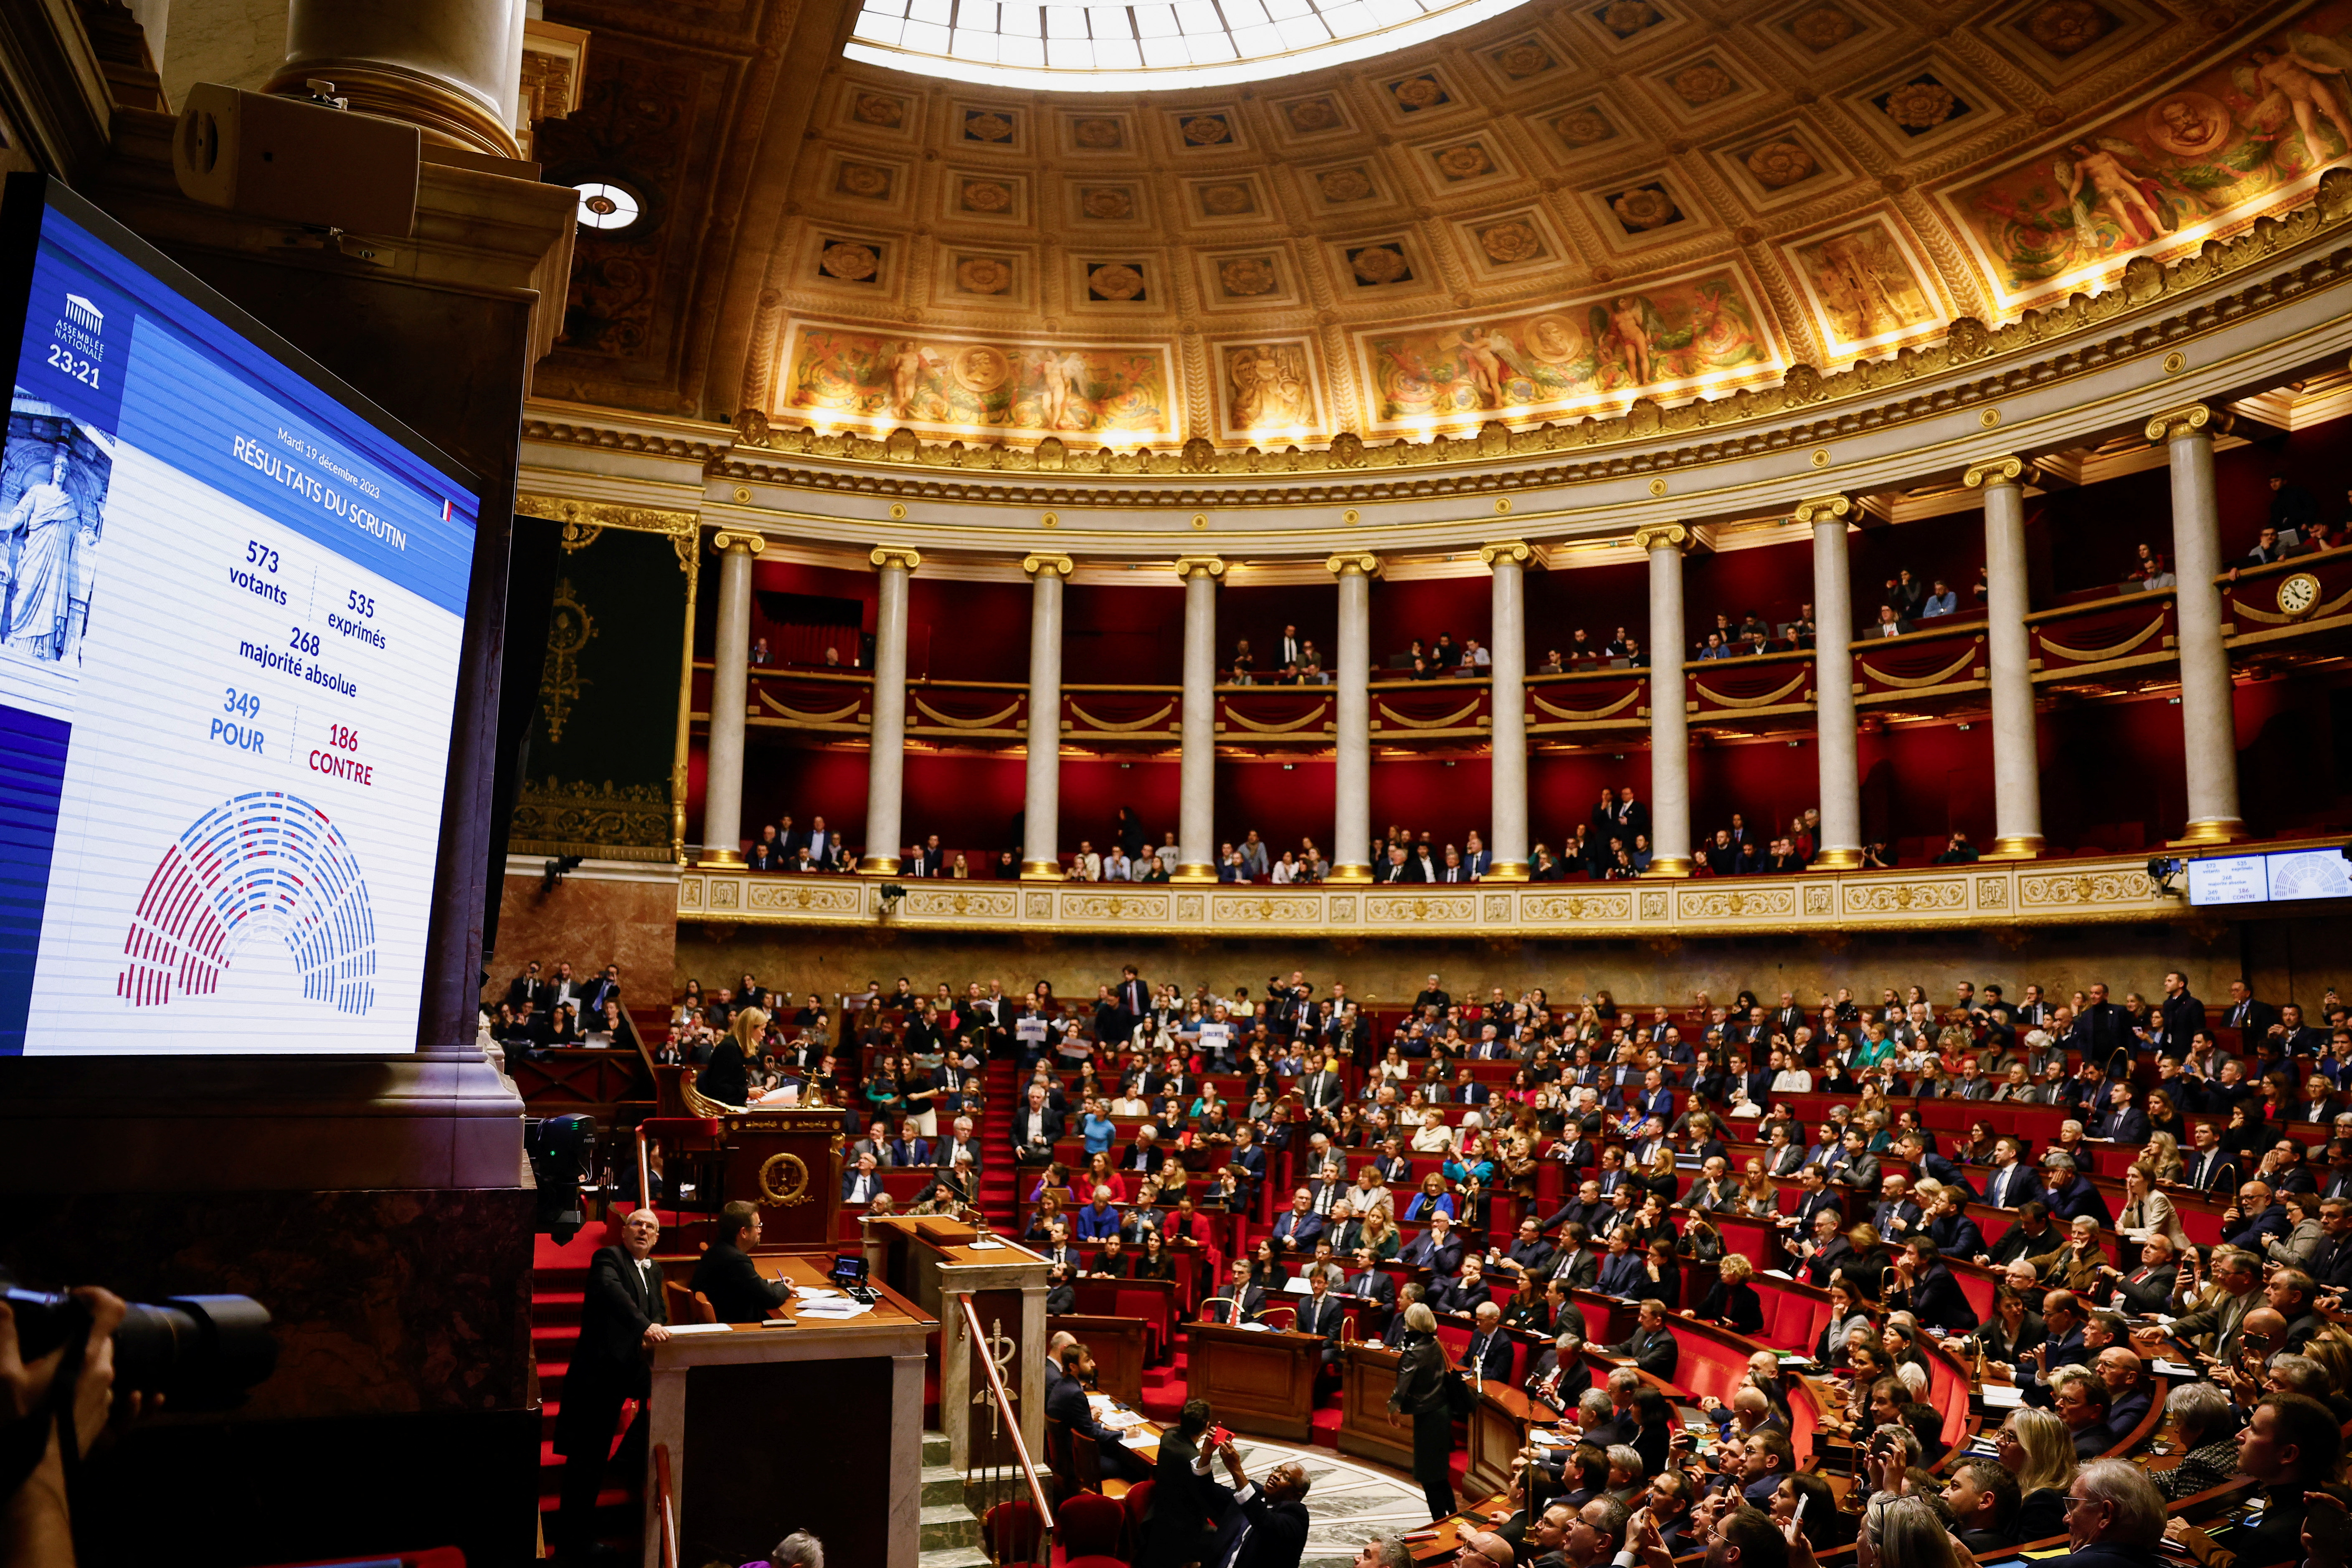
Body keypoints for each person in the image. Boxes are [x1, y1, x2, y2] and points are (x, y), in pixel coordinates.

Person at [554, 1209, 672, 1559]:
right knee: (583, 1468)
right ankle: (569, 1548)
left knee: (594, 1467)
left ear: (656, 1238)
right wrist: (645, 1328)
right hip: (595, 1381)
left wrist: (659, 1327)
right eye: (638, 1223)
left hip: (624, 1377)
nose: (644, 1229)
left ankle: (581, 1541)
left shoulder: (655, 1271)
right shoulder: (608, 1258)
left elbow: (660, 1313)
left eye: (651, 1226)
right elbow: (611, 1293)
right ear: (624, 1231)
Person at [1389, 1302, 1457, 1521]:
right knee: (1439, 1473)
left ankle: (1440, 1522)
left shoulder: (1415, 1352)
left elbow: (1402, 1387)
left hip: (1428, 1416)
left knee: (1429, 1476)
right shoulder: (1434, 1343)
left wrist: (1393, 1409)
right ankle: (1454, 1517)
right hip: (1442, 1411)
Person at [1048, 1340, 1150, 1480]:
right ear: (1073, 1367)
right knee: (1131, 1465)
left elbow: (1080, 1424)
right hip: (1077, 1461)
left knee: (1116, 1452)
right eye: (1087, 1360)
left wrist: (1105, 1426)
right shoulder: (1074, 1393)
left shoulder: (1063, 1385)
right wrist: (1125, 1434)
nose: (1093, 1364)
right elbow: (1089, 1432)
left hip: (1066, 1454)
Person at [1200, 1441, 1312, 1568]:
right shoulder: (1255, 1495)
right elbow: (1208, 1492)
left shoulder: (1296, 1517)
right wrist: (1206, 1454)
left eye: (1285, 1477)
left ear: (1295, 1495)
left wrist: (1237, 1470)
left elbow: (1264, 1521)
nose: (1275, 1476)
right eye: (1277, 1471)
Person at [1141, 1399, 1219, 1568]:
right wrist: (1207, 1453)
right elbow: (1207, 1496)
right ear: (1206, 1426)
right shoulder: (1193, 1459)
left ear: (1180, 1420)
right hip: (1185, 1532)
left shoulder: (1168, 1437)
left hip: (1160, 1518)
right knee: (1227, 1539)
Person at [689, 1201, 796, 1323]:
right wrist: (783, 1287)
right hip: (735, 1329)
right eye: (758, 1226)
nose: (760, 1231)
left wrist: (770, 1282)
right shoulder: (736, 1260)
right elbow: (771, 1300)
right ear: (744, 1232)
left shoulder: (717, 1250)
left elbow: (744, 1283)